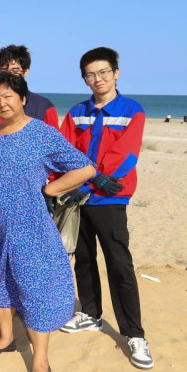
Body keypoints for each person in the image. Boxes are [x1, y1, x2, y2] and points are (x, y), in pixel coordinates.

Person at [0, 72, 95, 372]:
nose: (2, 103)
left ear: (23, 98)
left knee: (33, 288)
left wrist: (51, 189)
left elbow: (85, 168)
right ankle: (5, 338)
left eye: (8, 96)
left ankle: (40, 359)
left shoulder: (41, 132)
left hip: (29, 227)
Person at [58, 47, 154, 369]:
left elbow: (126, 154)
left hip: (110, 197)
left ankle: (134, 334)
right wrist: (78, 182)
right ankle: (90, 313)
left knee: (119, 264)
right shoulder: (76, 112)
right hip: (79, 196)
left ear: (115, 72)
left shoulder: (132, 110)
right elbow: (65, 148)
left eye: (103, 72)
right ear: (84, 78)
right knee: (83, 258)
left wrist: (97, 179)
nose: (97, 79)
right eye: (90, 74)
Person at [0, 45, 58, 133]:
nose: (9, 75)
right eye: (4, 70)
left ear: (26, 71)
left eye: (15, 70)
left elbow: (55, 142)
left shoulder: (43, 106)